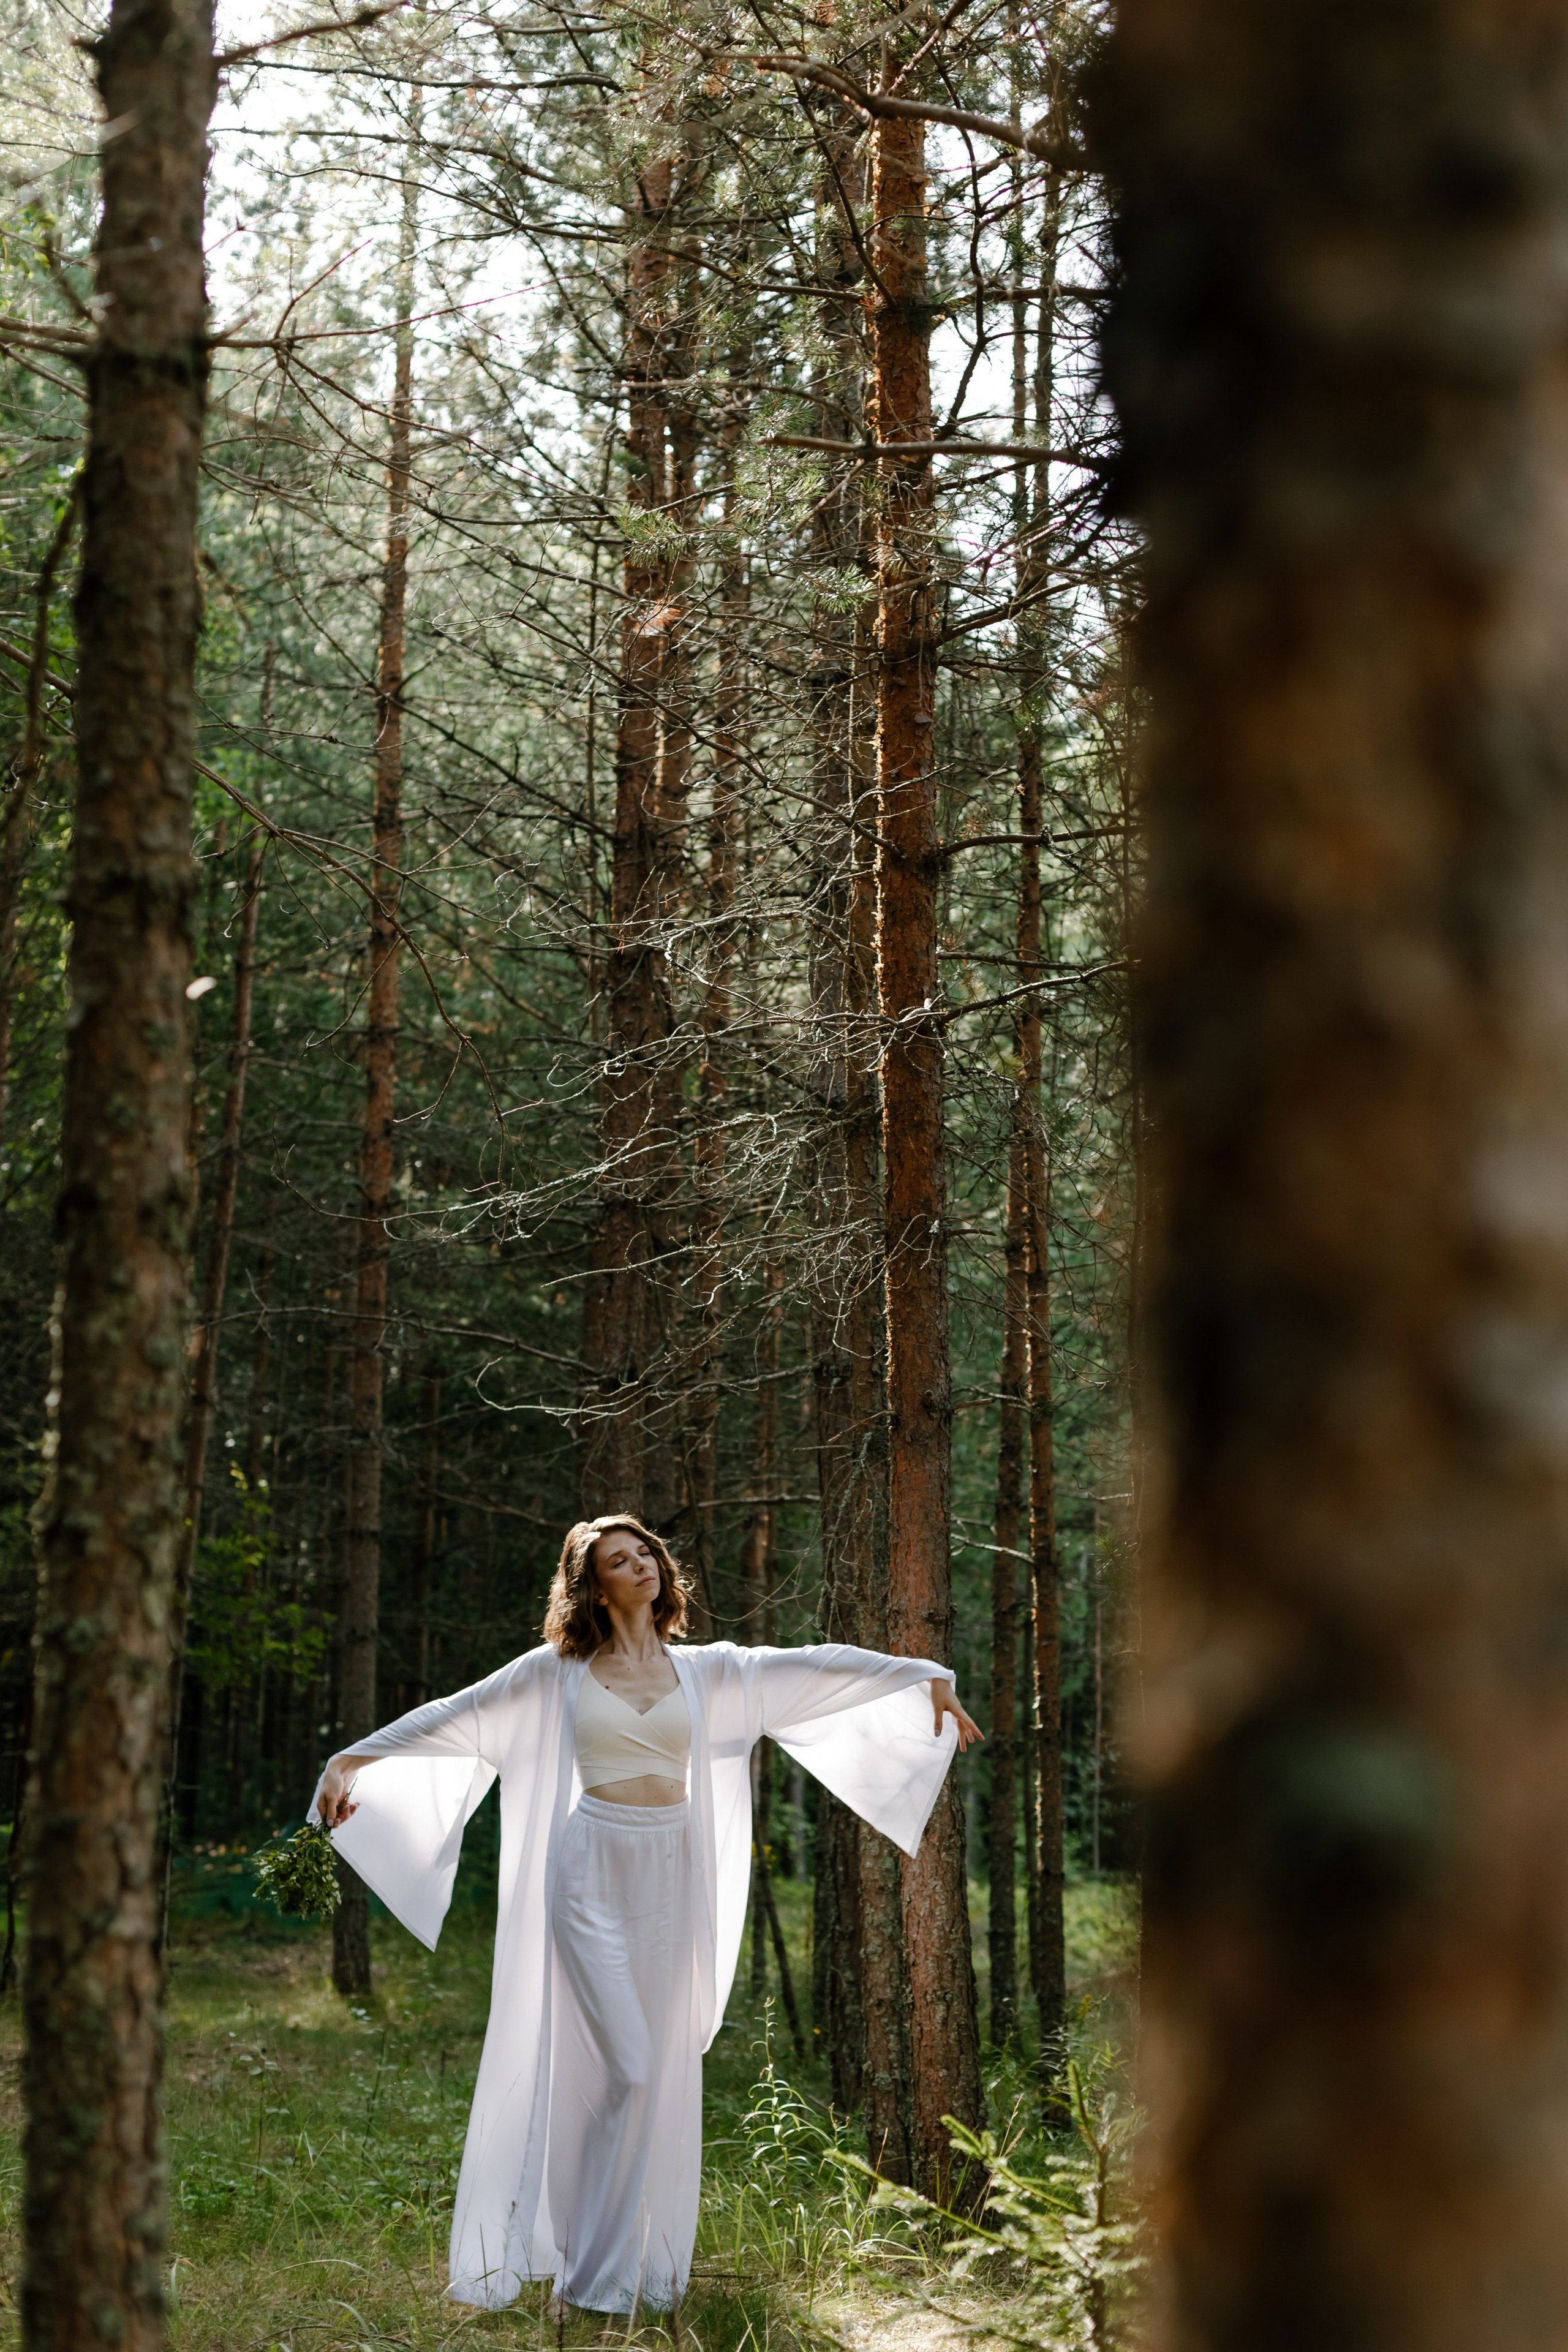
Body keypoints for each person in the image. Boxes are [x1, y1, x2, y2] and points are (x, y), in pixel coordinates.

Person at [313, 1513, 981, 2318]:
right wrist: (352, 1758)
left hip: (671, 1877)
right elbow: (457, 1714)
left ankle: (597, 2266)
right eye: (619, 1561)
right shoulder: (553, 1672)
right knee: (628, 2067)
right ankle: (589, 2288)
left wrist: (920, 1673)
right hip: (589, 1868)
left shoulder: (707, 1672)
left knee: (642, 2077)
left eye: (646, 1555)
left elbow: (811, 1670)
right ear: (592, 1585)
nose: (641, 1568)